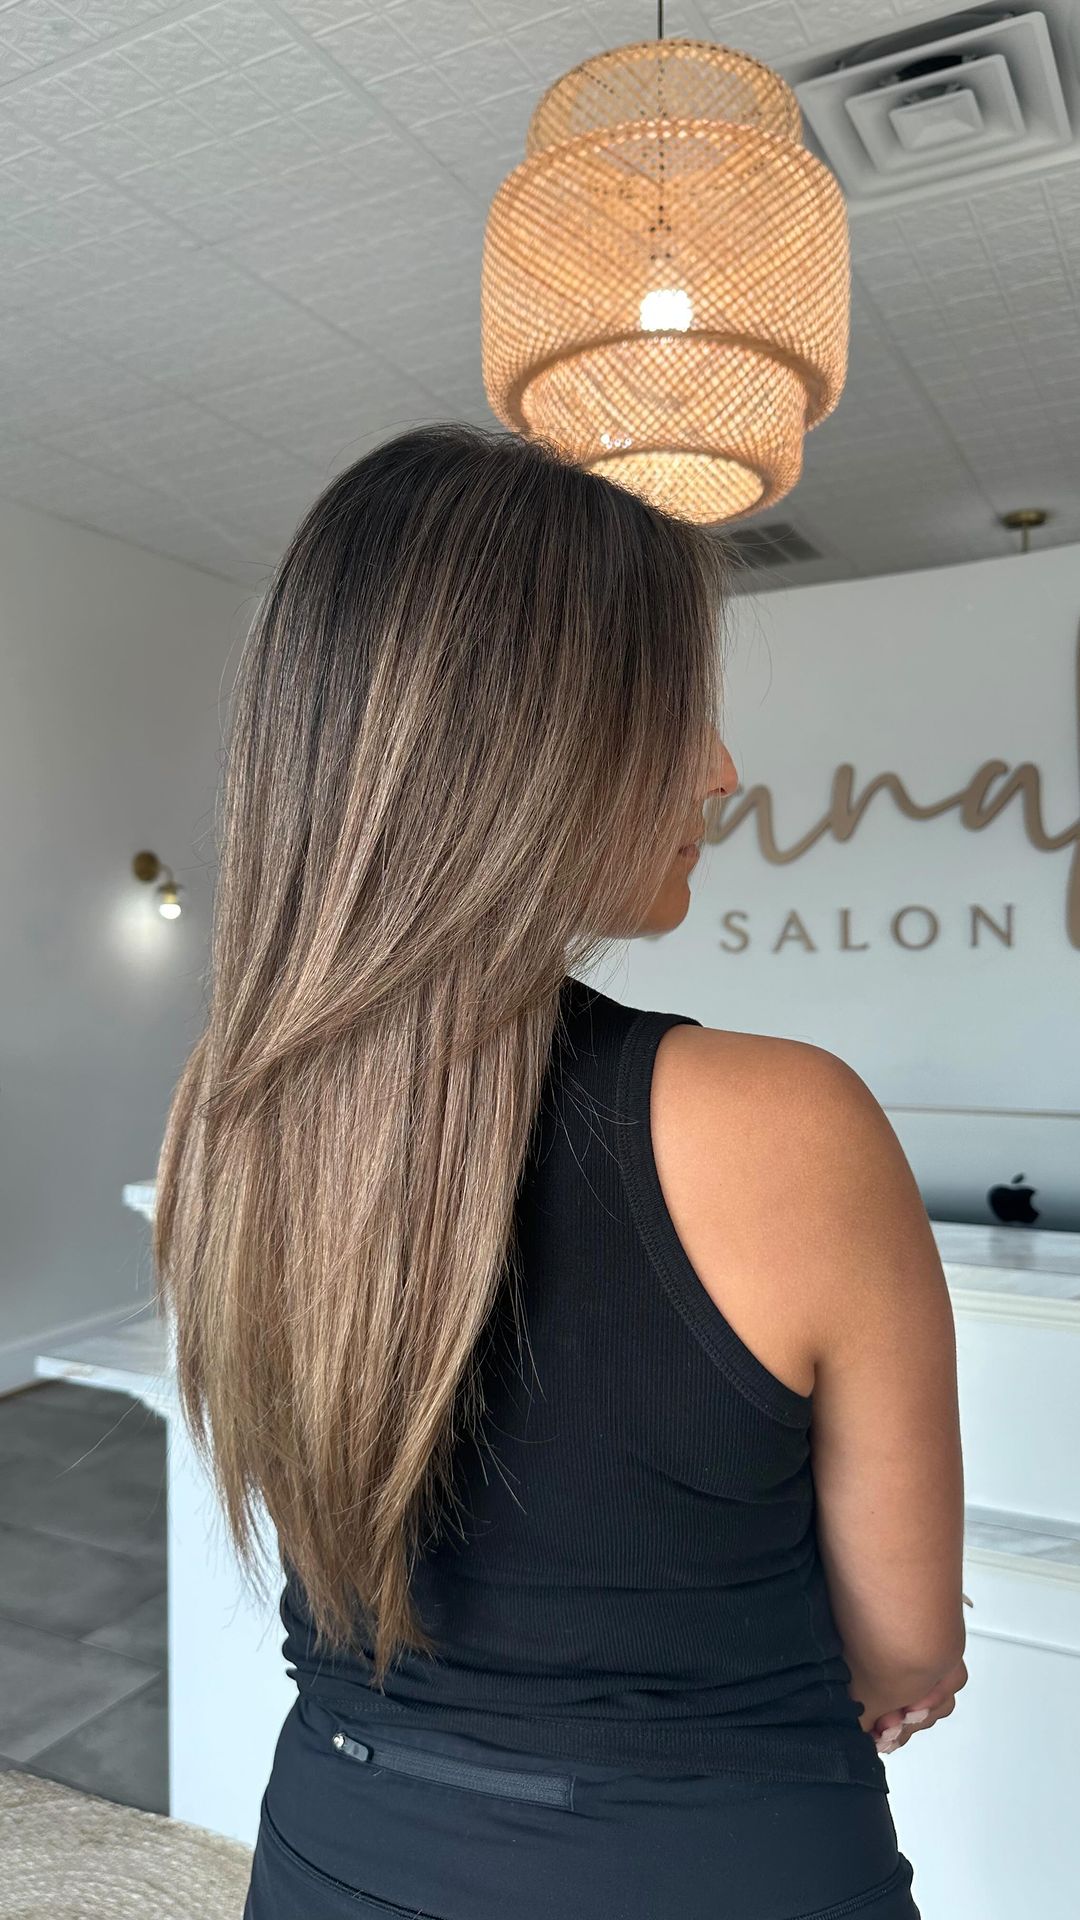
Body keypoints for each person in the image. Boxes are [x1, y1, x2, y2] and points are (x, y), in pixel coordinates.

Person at [152, 423, 967, 1920]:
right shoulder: (787, 1121)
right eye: (675, 712)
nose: (720, 771)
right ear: (520, 749)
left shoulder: (228, 1109)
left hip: (332, 1853)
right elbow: (908, 1646)